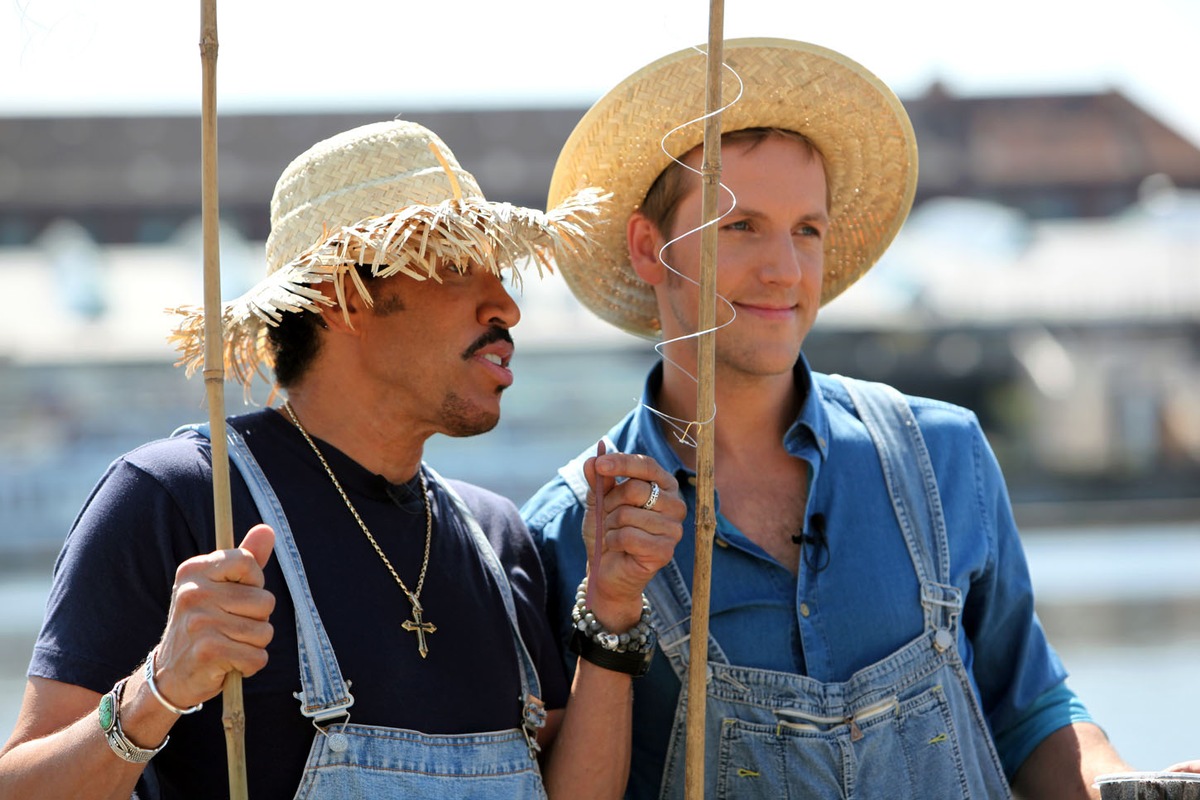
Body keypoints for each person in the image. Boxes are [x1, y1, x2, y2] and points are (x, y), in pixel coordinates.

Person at [522, 38, 1151, 799]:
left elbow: (1031, 711)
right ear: (650, 248)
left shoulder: (945, 456)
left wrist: (1118, 783)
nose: (784, 268)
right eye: (741, 226)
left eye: (807, 229)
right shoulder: (565, 535)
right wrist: (611, 616)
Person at [0, 120, 684, 799]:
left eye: (501, 273)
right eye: (453, 266)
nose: (507, 306)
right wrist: (158, 690)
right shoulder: (178, 498)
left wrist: (612, 609)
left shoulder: (496, 535)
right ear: (345, 297)